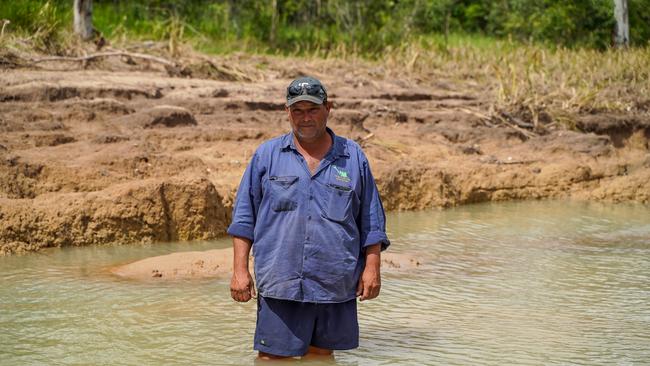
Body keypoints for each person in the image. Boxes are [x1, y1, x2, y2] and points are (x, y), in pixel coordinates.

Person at [227, 76, 390, 360]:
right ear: (287, 112)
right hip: (281, 281)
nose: (305, 118)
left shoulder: (353, 157)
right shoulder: (267, 155)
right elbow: (244, 217)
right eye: (298, 110)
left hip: (334, 282)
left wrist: (372, 268)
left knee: (321, 358)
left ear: (328, 108)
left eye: (313, 109)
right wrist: (240, 270)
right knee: (271, 358)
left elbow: (371, 219)